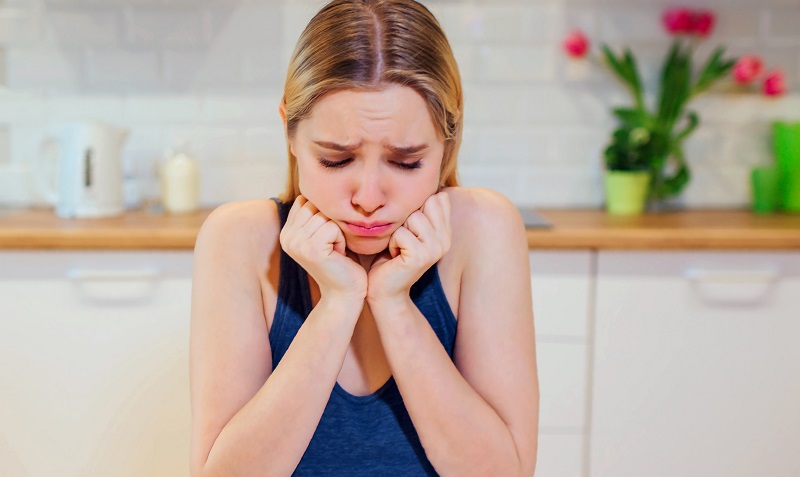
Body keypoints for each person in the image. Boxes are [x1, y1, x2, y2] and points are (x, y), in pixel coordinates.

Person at [189, 0, 539, 475]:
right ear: (290, 133)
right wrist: (338, 301)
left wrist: (395, 305)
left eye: (407, 161)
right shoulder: (239, 241)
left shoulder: (482, 230)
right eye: (336, 159)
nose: (369, 197)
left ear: (447, 145)